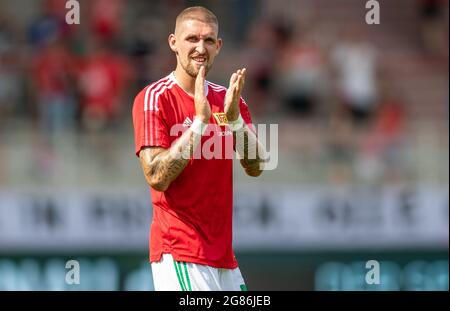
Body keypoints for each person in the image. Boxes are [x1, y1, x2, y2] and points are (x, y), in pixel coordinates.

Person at [132, 6, 265, 291]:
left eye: (208, 40)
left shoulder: (229, 99)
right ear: (173, 43)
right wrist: (199, 123)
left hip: (224, 257)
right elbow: (156, 175)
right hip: (180, 253)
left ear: (218, 46)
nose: (200, 48)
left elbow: (256, 166)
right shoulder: (154, 98)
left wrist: (235, 121)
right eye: (191, 39)